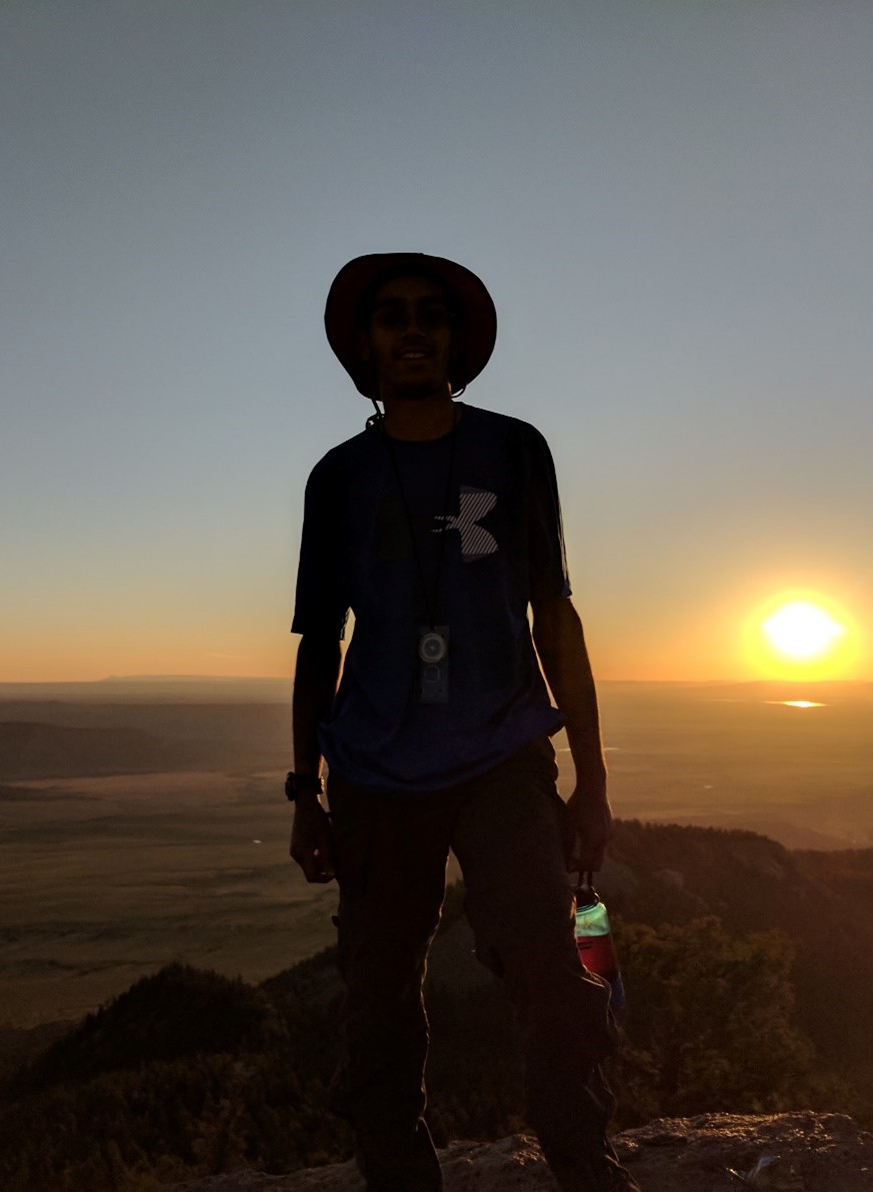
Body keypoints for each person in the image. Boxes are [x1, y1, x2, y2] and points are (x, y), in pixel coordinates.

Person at [285, 252, 637, 1192]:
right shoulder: (340, 479)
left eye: (429, 316)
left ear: (456, 340)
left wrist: (590, 778)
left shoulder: (515, 451)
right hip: (372, 773)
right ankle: (402, 1176)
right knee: (379, 999)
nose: (411, 330)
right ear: (363, 346)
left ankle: (581, 1161)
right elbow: (320, 643)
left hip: (500, 756)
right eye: (390, 316)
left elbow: (554, 614)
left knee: (557, 983)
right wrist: (303, 791)